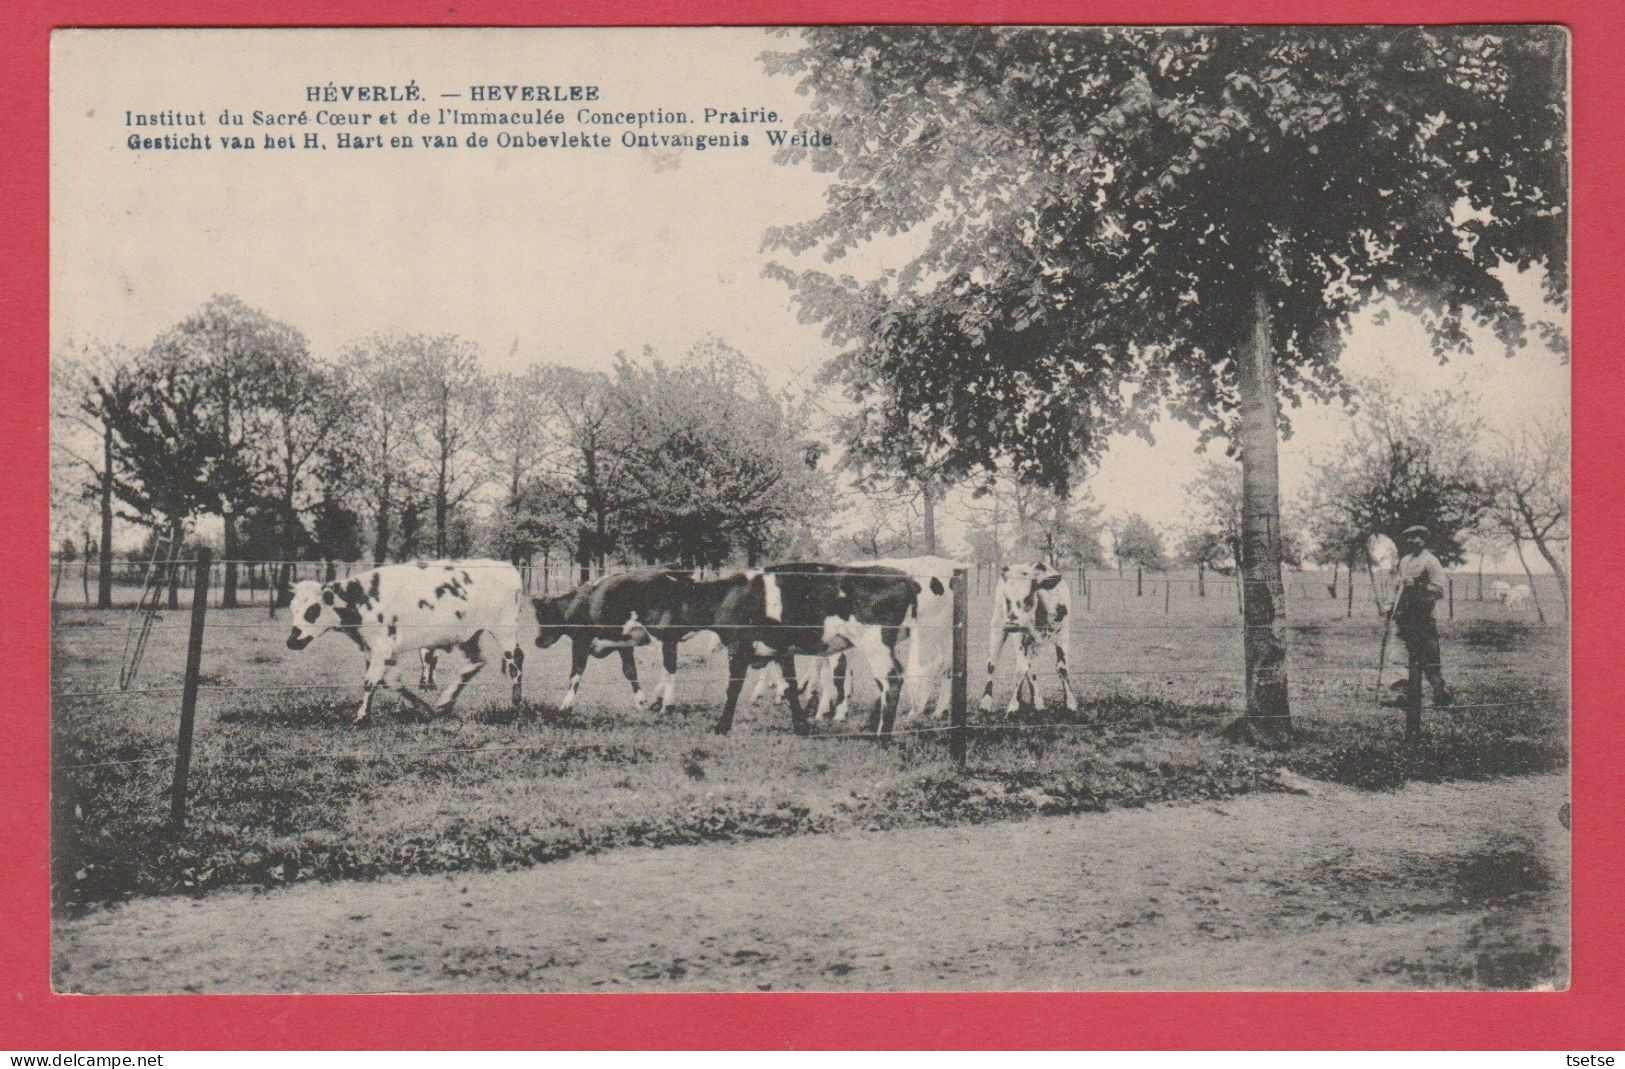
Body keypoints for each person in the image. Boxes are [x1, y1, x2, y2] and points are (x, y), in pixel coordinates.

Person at [1386, 524, 1453, 709]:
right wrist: (1391, 605)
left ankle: (1441, 695)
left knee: (1428, 658)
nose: (1411, 541)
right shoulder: (1405, 561)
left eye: (1415, 538)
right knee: (1400, 654)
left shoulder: (1430, 562)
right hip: (1403, 615)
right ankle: (1403, 694)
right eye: (1408, 538)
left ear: (1424, 540)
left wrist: (1418, 584)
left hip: (1423, 617)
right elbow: (1398, 586)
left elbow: (1439, 590)